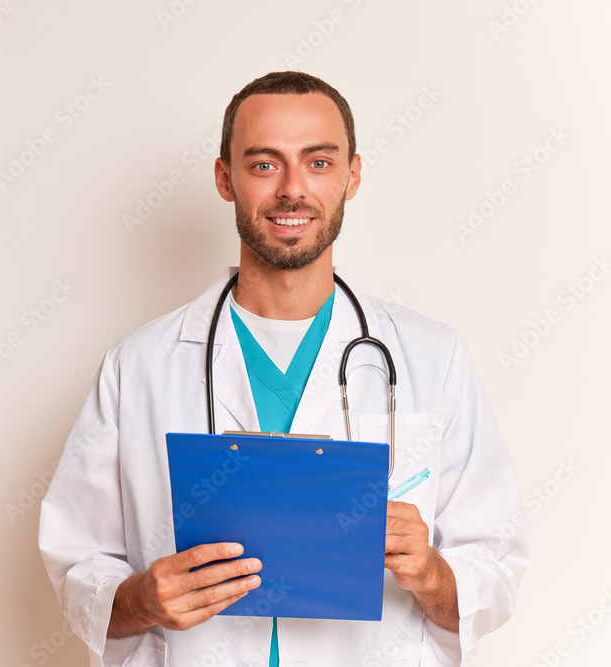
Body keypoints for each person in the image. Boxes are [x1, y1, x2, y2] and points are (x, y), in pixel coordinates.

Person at [38, 71, 528, 666]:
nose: (292, 190)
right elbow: (77, 563)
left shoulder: (432, 357)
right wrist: (143, 598)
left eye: (318, 163)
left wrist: (429, 573)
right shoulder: (138, 365)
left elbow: (495, 572)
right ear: (226, 179)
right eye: (264, 164)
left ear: (351, 177)